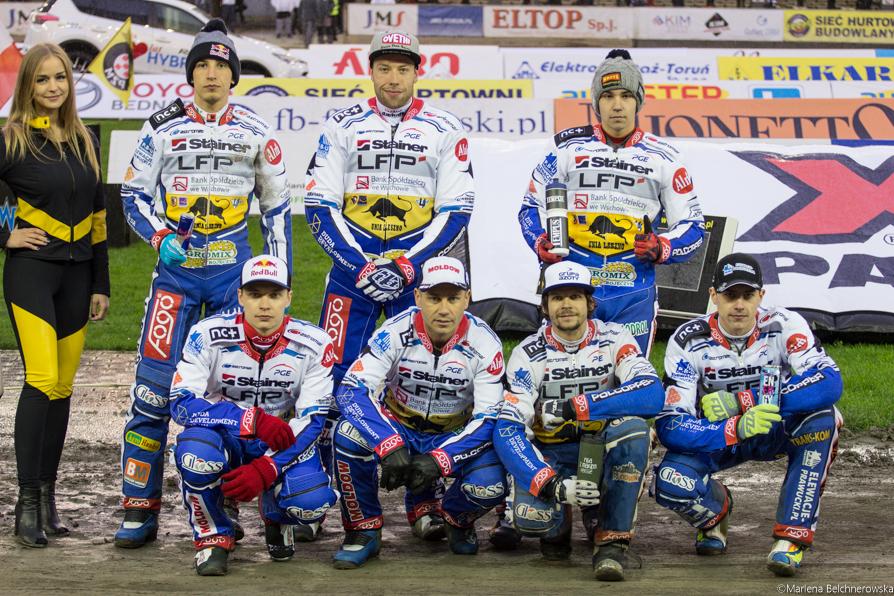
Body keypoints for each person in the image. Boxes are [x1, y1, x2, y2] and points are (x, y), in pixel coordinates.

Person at [115, 18, 292, 548]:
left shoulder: (256, 130)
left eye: (221, 66)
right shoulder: (161, 126)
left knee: (225, 395)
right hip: (174, 281)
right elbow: (132, 195)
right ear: (191, 74)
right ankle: (138, 507)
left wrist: (280, 279)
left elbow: (276, 208)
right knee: (151, 394)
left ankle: (221, 503)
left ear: (233, 76)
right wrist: (159, 237)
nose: (212, 74)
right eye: (203, 65)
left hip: (231, 282)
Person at [305, 30, 474, 538]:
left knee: (423, 381)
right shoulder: (341, 124)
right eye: (384, 68)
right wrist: (358, 265)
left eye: (403, 68)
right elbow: (318, 205)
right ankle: (321, 498)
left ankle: (424, 502)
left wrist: (408, 266)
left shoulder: (446, 128)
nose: (393, 78)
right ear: (371, 71)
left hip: (414, 279)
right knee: (330, 381)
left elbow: (456, 211)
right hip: (350, 275)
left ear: (417, 72)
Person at [653, 253, 843, 577]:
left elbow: (828, 381)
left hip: (775, 430)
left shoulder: (784, 324)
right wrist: (735, 427)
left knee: (823, 418)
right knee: (669, 482)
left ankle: (791, 539)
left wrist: (743, 402)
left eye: (747, 295)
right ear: (714, 296)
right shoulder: (686, 340)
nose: (739, 305)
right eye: (730, 295)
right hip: (719, 437)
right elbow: (670, 426)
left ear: (761, 296)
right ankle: (716, 512)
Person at [518, 47, 705, 357]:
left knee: (630, 375)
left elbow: (693, 226)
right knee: (561, 375)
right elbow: (530, 207)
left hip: (632, 289)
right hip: (571, 280)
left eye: (626, 96)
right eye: (607, 96)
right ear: (596, 102)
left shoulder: (666, 157)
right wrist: (540, 241)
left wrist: (662, 247)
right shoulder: (565, 147)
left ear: (638, 101)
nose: (617, 105)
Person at [329, 257, 506, 569]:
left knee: (489, 483)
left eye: (453, 298)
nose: (444, 309)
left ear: (467, 298)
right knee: (347, 434)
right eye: (434, 298)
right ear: (418, 297)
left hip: (452, 433)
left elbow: (488, 417)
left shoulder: (485, 343)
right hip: (399, 426)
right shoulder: (395, 330)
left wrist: (441, 459)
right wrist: (387, 442)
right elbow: (351, 388)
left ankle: (455, 517)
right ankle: (363, 529)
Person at [0, 44, 109, 548]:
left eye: (60, 78)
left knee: (62, 387)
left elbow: (100, 218)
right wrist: (5, 236)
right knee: (41, 379)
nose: (52, 87)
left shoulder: (86, 139)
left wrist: (102, 284)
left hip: (79, 277)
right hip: (32, 275)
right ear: (28, 85)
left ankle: (47, 499)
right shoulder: (11, 139)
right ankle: (25, 503)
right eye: (42, 79)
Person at [169, 255, 338, 576]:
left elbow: (313, 421)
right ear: (240, 296)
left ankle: (276, 515)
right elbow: (181, 402)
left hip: (281, 442)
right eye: (255, 294)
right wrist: (248, 420)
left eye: (274, 294)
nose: (264, 304)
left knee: (312, 501)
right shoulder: (206, 334)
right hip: (224, 437)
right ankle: (213, 536)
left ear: (288, 297)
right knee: (195, 456)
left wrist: (266, 468)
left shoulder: (316, 344)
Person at [493, 261, 663, 581]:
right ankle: (566, 515)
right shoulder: (527, 353)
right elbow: (507, 430)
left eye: (575, 296)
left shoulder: (615, 337)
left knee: (635, 430)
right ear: (545, 307)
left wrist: (576, 406)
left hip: (600, 450)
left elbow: (652, 393)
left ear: (590, 303)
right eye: (557, 298)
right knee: (536, 523)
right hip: (553, 454)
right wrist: (549, 483)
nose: (566, 304)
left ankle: (612, 543)